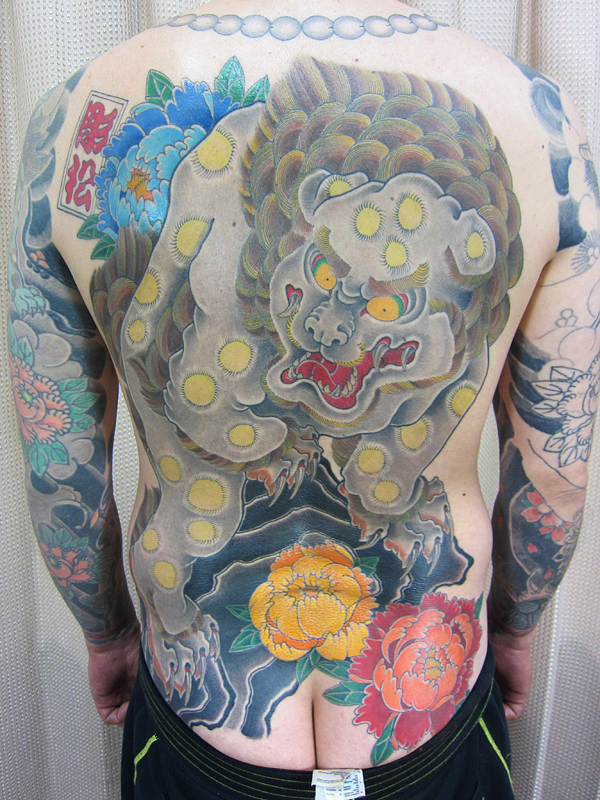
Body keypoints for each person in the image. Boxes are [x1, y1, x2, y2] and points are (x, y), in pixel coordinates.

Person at [7, 1, 600, 797]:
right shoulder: (542, 125)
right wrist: (517, 627)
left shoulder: (72, 117)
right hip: (424, 693)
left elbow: (60, 464)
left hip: (198, 700)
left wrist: (106, 631)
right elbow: (554, 471)